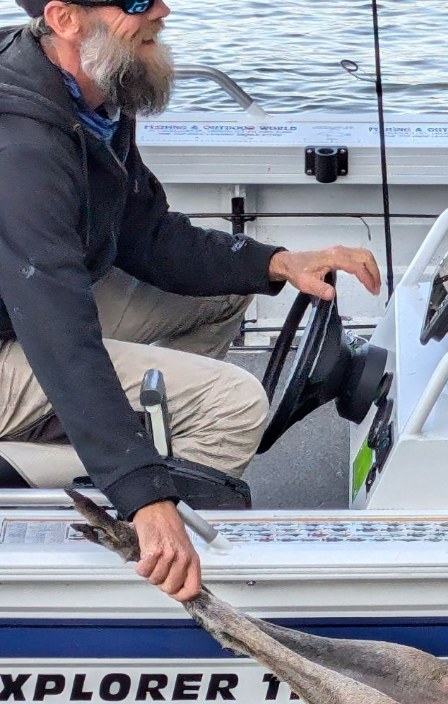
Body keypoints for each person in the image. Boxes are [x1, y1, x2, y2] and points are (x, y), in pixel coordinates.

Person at [0, 0, 382, 602]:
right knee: (232, 405)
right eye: (135, 2)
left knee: (227, 294)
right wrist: (143, 492)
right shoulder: (21, 144)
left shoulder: (94, 93)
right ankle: (129, 521)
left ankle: (119, 447)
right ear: (65, 18)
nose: (162, 10)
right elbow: (57, 331)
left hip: (23, 310)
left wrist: (276, 262)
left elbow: (144, 232)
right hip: (25, 327)